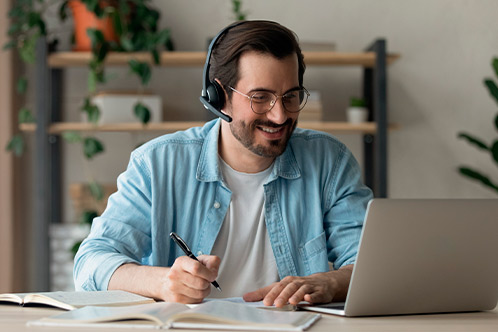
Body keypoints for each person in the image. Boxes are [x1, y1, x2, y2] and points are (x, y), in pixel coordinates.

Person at [74, 20, 372, 308]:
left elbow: (369, 262)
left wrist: (331, 282)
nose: (280, 116)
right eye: (260, 97)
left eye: (290, 96)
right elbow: (90, 264)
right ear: (219, 97)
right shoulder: (157, 164)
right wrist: (163, 282)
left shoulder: (330, 161)